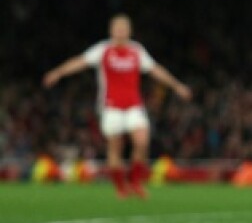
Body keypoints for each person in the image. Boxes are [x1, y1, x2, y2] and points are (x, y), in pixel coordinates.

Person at [42, 14, 191, 198]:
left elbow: (155, 69)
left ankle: (135, 181)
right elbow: (80, 61)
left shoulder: (136, 50)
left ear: (130, 31)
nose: (120, 31)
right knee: (116, 147)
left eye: (124, 28)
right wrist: (58, 72)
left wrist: (177, 85)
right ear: (111, 30)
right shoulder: (102, 50)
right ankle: (121, 187)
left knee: (142, 141)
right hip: (110, 105)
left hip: (133, 105)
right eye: (117, 28)